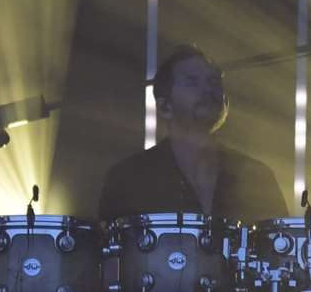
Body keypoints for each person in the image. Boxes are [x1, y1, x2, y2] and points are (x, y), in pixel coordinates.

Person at [97, 45, 288, 224]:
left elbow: (283, 251)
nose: (208, 89)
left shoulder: (256, 177)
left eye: (213, 82)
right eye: (192, 82)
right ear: (165, 107)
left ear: (226, 104)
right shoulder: (128, 180)